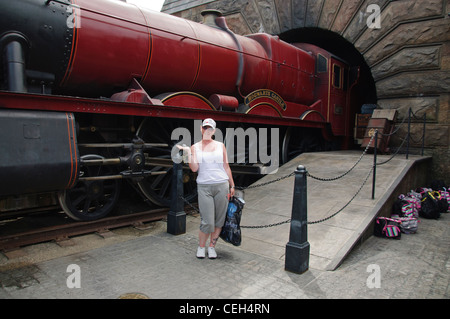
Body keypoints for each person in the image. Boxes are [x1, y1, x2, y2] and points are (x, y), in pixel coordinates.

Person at [178, 119, 235, 259]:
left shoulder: (220, 145)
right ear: (201, 129)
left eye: (210, 129)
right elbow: (194, 168)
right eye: (205, 128)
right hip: (204, 187)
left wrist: (232, 184)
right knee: (207, 221)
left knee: (219, 221)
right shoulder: (194, 147)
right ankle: (201, 247)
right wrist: (187, 152)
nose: (207, 131)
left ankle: (212, 247)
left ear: (214, 131)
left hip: (222, 185)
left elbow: (226, 166)